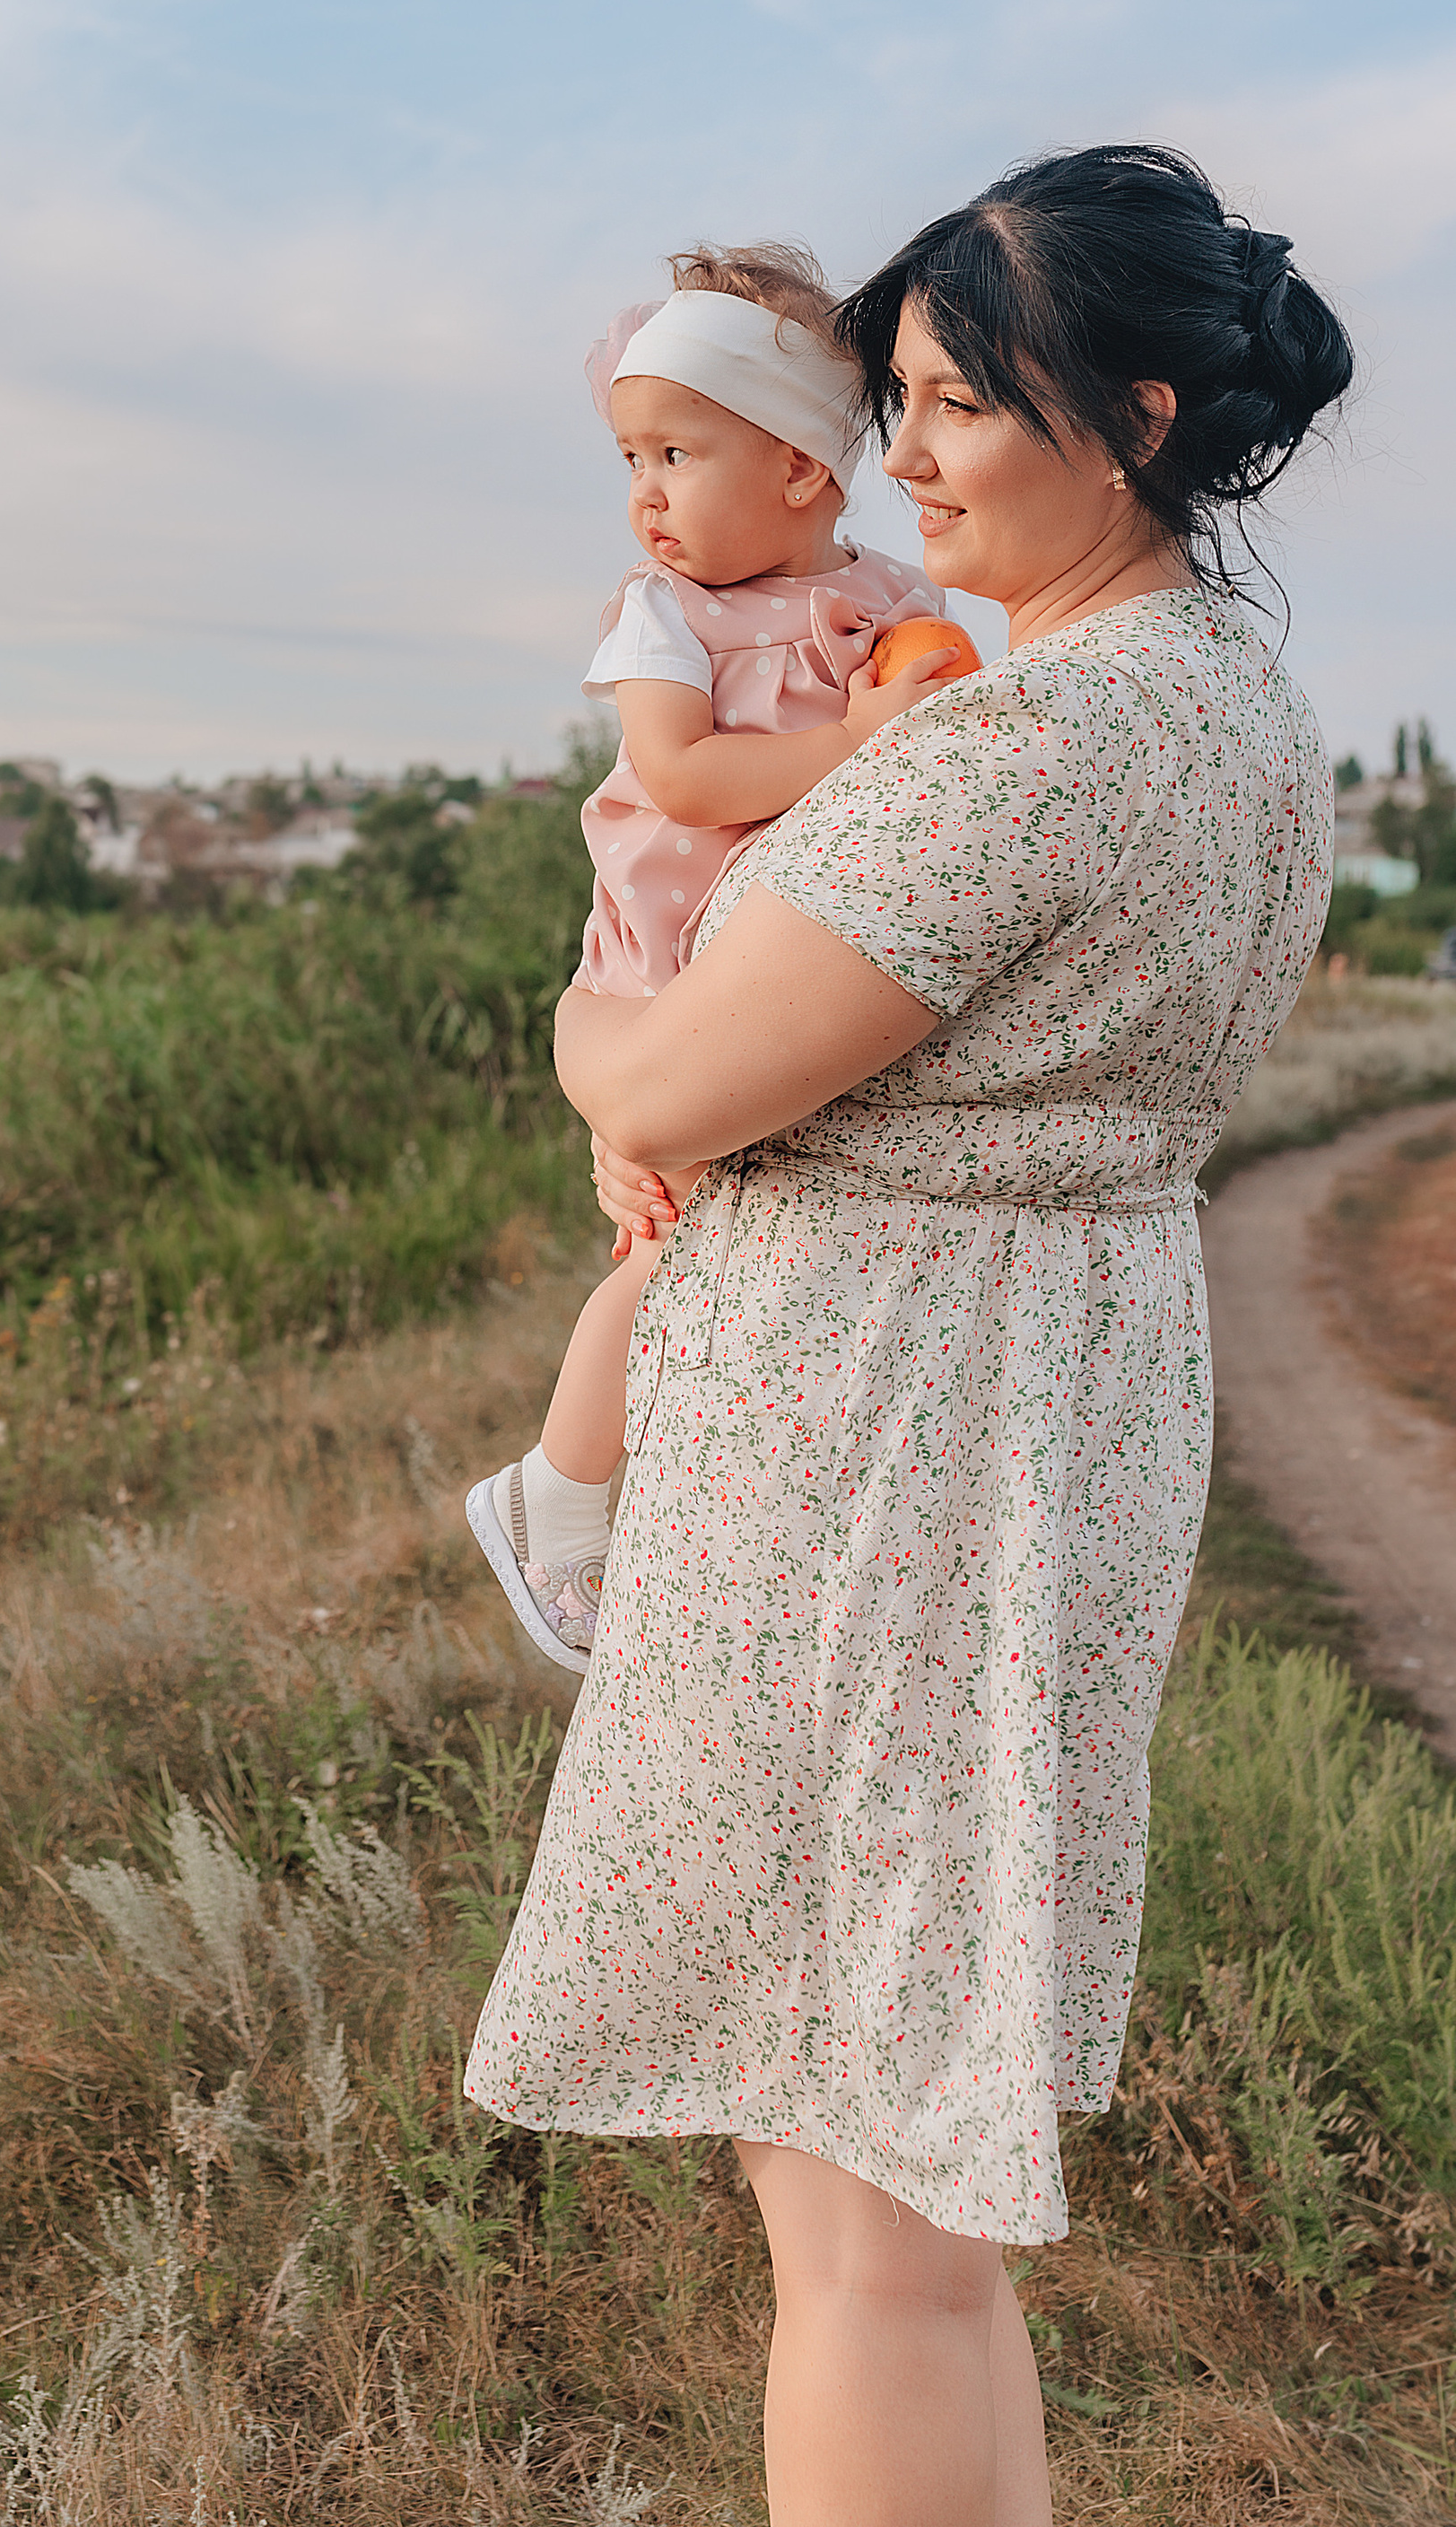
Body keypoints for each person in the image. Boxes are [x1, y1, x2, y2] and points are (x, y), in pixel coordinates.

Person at [466, 145, 1352, 2527]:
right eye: (907, 404)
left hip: (882, 1455)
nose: (913, 460)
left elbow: (659, 1082)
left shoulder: (1020, 742)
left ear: (1135, 418)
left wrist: (577, 1028)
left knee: (852, 2210)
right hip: (1040, 1406)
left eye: (964, 404)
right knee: (918, 2209)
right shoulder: (1241, 707)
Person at [467, 246, 951, 1671]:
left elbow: (936, 720)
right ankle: (556, 1495)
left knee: (710, 1247)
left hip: (765, 971)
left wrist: (906, 698)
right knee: (664, 1251)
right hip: (653, 972)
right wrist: (854, 739)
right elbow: (680, 776)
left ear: (800, 466)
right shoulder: (662, 615)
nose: (646, 494)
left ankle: (663, 1503)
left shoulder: (884, 597)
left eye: (677, 454)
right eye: (632, 459)